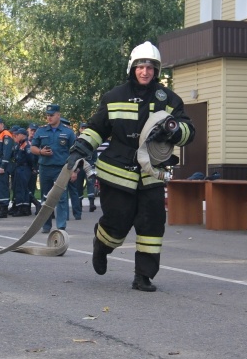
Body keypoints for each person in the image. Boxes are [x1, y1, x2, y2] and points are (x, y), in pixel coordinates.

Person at [67, 41, 195, 292]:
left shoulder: (169, 100)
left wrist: (173, 130)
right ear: (132, 68)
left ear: (157, 70)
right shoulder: (114, 97)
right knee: (117, 223)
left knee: (152, 224)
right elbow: (96, 128)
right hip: (117, 173)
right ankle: (101, 245)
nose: (145, 71)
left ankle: (143, 276)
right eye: (140, 66)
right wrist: (80, 149)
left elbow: (189, 131)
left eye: (150, 67)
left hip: (152, 174)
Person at [30, 104, 76, 233]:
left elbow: (74, 152)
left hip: (62, 169)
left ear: (58, 115)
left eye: (51, 115)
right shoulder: (41, 130)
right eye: (47, 115)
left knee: (61, 197)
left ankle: (61, 226)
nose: (49, 118)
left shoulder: (68, 132)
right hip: (45, 168)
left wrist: (74, 171)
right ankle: (46, 225)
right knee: (46, 197)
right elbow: (32, 148)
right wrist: (40, 152)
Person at [10, 127, 34, 216]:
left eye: (18, 134)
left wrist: (32, 168)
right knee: (19, 188)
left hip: (24, 168)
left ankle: (22, 209)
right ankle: (21, 208)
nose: (16, 136)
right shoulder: (20, 144)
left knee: (22, 189)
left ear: (23, 135)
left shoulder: (26, 144)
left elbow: (30, 158)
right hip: (19, 168)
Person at [75, 123, 98, 213]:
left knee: (91, 183)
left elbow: (95, 154)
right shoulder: (76, 140)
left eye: (85, 128)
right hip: (79, 165)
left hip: (89, 164)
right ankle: (79, 204)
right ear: (79, 129)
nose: (83, 129)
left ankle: (91, 203)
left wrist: (93, 164)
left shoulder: (92, 140)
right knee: (78, 185)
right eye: (82, 128)